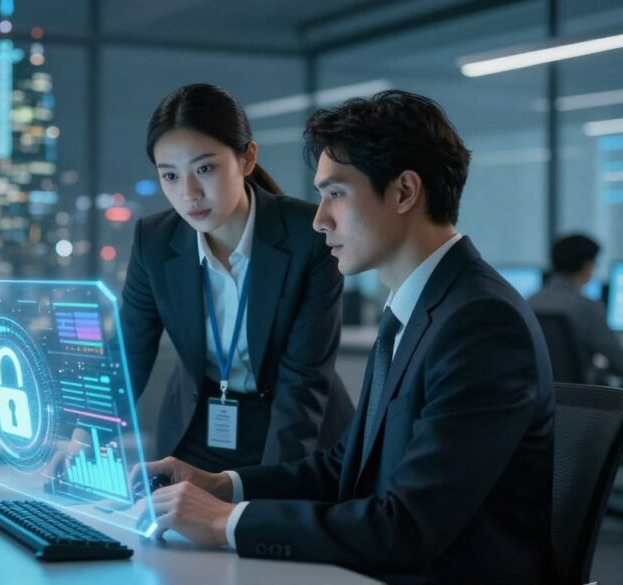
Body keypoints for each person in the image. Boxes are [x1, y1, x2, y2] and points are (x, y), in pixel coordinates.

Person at [134, 90, 556, 584]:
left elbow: (405, 528)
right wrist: (224, 486)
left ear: (403, 192)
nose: (319, 219)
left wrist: (224, 522)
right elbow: (343, 467)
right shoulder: (418, 307)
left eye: (335, 194)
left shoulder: (480, 323)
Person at [119, 83, 354, 474]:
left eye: (205, 169)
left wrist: (268, 495)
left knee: (260, 532)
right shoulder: (154, 242)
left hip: (297, 434)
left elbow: (303, 382)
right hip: (196, 431)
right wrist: (80, 437)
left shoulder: (308, 236)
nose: (189, 193)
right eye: (170, 176)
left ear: (247, 159)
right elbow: (130, 353)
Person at [530, 233, 623, 383]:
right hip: (581, 399)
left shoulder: (527, 303)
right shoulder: (586, 307)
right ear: (587, 266)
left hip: (539, 398)